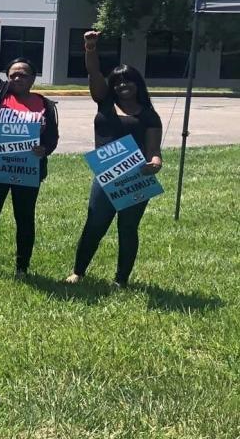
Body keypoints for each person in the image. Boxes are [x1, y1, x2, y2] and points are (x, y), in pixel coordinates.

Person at [0, 18, 60, 279]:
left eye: (23, 74)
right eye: (13, 74)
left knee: (25, 219)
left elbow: (52, 138)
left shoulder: (45, 105)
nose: (17, 77)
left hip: (28, 171)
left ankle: (22, 268)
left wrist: (45, 149)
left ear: (33, 78)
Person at [66, 30, 163, 288]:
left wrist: (155, 163)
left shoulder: (149, 116)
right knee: (95, 224)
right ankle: (78, 272)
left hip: (136, 178)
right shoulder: (104, 103)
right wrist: (90, 48)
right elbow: (95, 74)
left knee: (128, 229)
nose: (123, 86)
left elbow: (154, 150)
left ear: (138, 84)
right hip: (106, 176)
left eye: (128, 81)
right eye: (118, 82)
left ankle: (121, 280)